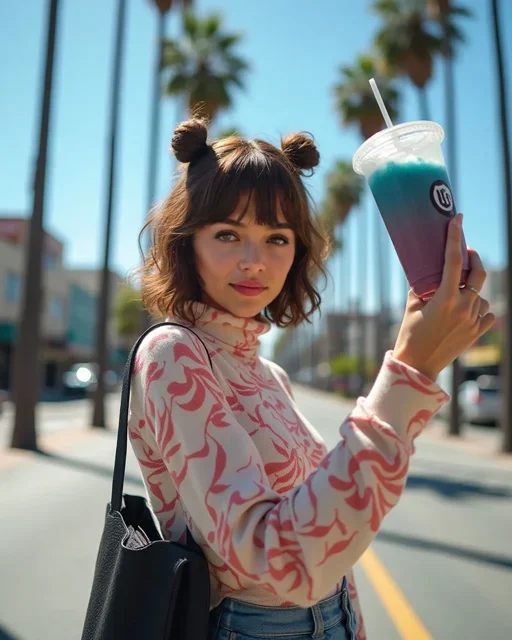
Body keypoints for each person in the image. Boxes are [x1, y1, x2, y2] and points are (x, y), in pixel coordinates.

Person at [128, 118, 494, 640]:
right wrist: (411, 372)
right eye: (228, 234)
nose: (255, 262)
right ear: (186, 243)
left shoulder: (270, 372)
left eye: (277, 237)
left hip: (336, 615)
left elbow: (325, 550)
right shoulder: (173, 354)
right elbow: (277, 564)